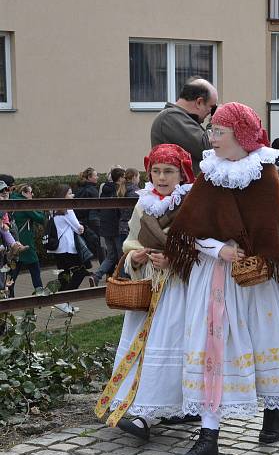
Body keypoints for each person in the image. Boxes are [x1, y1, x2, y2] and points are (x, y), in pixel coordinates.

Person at [165, 102, 279, 455]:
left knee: (265, 341)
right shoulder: (209, 173)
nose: (212, 137)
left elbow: (270, 231)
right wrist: (218, 248)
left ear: (241, 135)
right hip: (215, 278)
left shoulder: (262, 173)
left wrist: (250, 252)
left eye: (220, 131)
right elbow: (189, 229)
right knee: (213, 351)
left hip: (257, 282)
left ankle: (273, 407)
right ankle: (208, 438)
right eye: (212, 130)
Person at [95, 144, 197, 439]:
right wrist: (133, 258)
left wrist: (175, 258)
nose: (162, 177)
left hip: (178, 291)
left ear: (181, 174)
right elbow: (130, 243)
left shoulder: (190, 205)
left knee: (167, 349)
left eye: (169, 171)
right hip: (147, 289)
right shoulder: (143, 204)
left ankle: (157, 413)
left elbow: (203, 248)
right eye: (156, 171)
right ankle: (139, 408)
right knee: (141, 350)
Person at [150, 77, 218, 174]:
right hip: (179, 188)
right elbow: (207, 147)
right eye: (212, 107)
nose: (211, 113)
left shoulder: (182, 118)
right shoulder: (170, 117)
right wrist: (216, 121)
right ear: (199, 102)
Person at [52, 184, 90, 315]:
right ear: (63, 195)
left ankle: (65, 303)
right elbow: (78, 228)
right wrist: (81, 227)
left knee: (65, 274)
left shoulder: (54, 210)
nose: (72, 195)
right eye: (69, 193)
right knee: (80, 272)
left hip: (57, 248)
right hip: (68, 247)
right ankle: (63, 300)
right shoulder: (67, 209)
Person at [8, 184, 44, 297]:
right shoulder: (24, 204)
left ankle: (9, 296)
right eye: (30, 192)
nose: (32, 194)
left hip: (13, 241)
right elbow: (41, 218)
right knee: (34, 268)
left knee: (12, 272)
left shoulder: (11, 200)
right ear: (24, 193)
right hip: (25, 242)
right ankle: (40, 293)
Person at [93, 168, 126, 284]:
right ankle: (121, 279)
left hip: (105, 227)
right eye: (124, 176)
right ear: (120, 178)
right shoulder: (118, 190)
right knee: (121, 255)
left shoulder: (104, 190)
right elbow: (119, 211)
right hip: (116, 227)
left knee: (111, 255)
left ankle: (96, 275)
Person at [74, 167, 103, 264]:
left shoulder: (79, 189)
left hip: (80, 220)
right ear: (89, 177)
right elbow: (98, 206)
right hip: (92, 221)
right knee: (99, 245)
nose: (97, 177)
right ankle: (105, 268)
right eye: (95, 176)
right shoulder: (92, 190)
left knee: (83, 243)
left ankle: (84, 265)